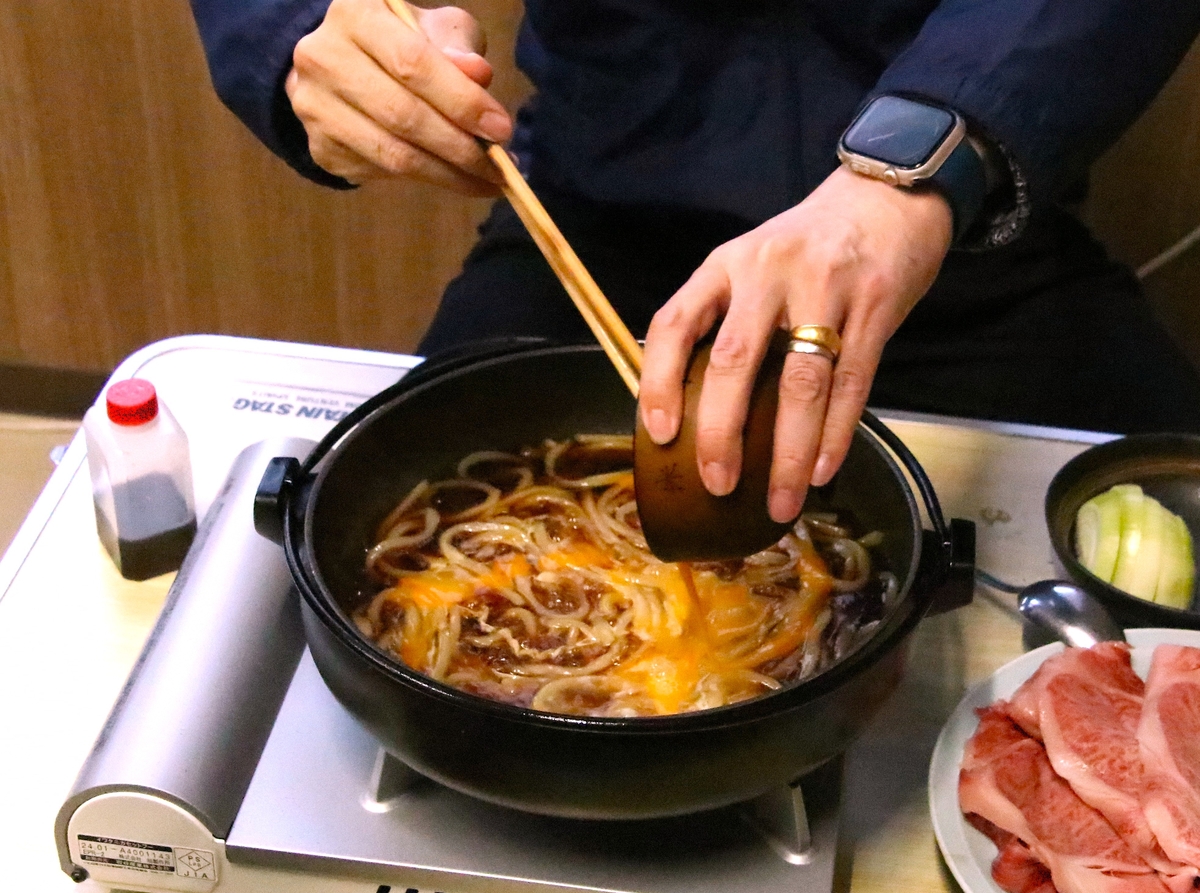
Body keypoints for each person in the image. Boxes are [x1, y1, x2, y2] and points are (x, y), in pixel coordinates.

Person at [191, 0, 1200, 523]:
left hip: (971, 234)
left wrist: (923, 157)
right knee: (382, 522)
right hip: (599, 230)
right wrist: (303, 32)